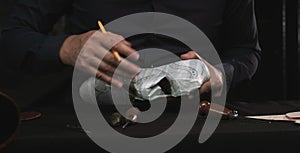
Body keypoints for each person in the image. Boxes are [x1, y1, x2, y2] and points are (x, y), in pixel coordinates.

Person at [1, 0, 261, 102]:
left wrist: (219, 75)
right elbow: (9, 36)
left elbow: (245, 49)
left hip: (197, 123)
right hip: (87, 125)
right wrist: (68, 47)